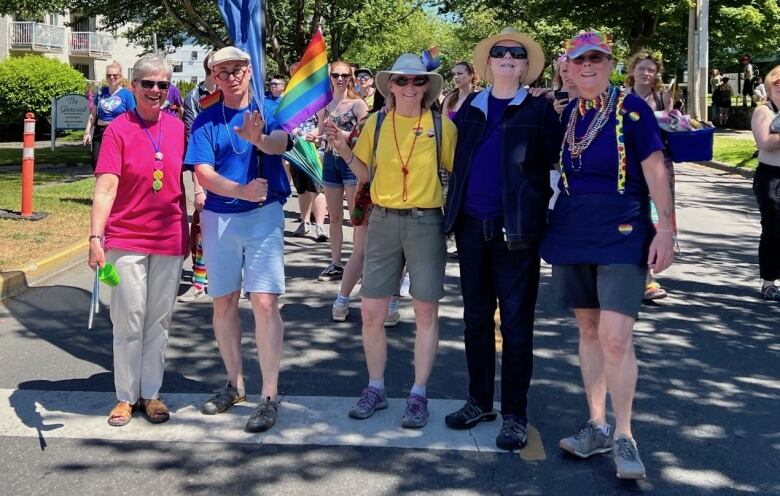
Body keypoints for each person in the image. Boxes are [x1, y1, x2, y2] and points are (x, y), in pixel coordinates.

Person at [539, 31, 675, 480]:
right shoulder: (570, 114)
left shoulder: (631, 109)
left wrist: (667, 230)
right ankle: (596, 424)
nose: (588, 66)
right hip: (574, 229)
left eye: (596, 59)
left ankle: (625, 433)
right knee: (589, 328)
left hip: (623, 231)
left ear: (609, 63)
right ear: (569, 67)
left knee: (616, 336)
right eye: (580, 61)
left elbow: (656, 168)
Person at [441, 28, 561, 451]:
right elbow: (448, 160)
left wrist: (545, 217)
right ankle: (478, 400)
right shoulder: (467, 108)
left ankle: (515, 413)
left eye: (517, 54)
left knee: (515, 325)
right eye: (499, 53)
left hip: (518, 234)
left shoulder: (541, 111)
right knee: (475, 320)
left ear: (526, 66)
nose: (508, 57)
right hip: (472, 227)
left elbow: (556, 168)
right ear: (487, 64)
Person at [326, 53, 456, 428]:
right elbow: (364, 173)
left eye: (418, 82)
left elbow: (459, 172)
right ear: (391, 86)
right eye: (402, 81)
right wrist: (344, 149)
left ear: (427, 87)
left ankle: (418, 394)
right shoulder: (377, 124)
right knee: (371, 313)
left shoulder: (442, 127)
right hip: (382, 221)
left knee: (425, 312)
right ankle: (376, 388)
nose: (410, 87)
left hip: (426, 221)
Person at [185, 46, 291, 433]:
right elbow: (203, 172)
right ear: (214, 77)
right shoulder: (206, 120)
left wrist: (259, 138)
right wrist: (240, 190)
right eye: (222, 71)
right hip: (220, 218)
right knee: (224, 300)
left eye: (237, 69)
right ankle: (235, 383)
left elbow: (282, 144)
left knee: (264, 302)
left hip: (264, 216)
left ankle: (269, 394)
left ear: (250, 71)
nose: (231, 76)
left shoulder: (269, 109)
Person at [88, 55, 188, 427]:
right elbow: (106, 187)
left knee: (158, 321)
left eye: (162, 84)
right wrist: (96, 236)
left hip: (169, 237)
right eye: (148, 84)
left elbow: (191, 181)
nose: (155, 91)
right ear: (134, 86)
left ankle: (151, 393)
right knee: (128, 319)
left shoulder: (178, 128)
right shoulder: (118, 129)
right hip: (127, 237)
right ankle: (125, 397)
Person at [308, 61, 369, 282]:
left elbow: (364, 136)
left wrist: (343, 135)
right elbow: (321, 130)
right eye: (336, 75)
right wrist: (314, 135)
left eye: (344, 75)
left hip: (352, 162)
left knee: (356, 217)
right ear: (330, 77)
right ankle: (336, 263)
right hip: (330, 162)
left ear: (351, 78)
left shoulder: (358, 104)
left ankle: (358, 263)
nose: (340, 79)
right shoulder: (325, 105)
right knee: (334, 216)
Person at [624, 50, 675, 301]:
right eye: (641, 68)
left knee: (656, 218)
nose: (646, 73)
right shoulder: (622, 99)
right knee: (635, 217)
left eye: (651, 69)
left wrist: (675, 121)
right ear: (632, 71)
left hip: (659, 165)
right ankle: (641, 276)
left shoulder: (664, 97)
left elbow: (674, 128)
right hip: (630, 166)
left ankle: (648, 275)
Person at [179, 51, 216, 303]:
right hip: (206, 170)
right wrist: (198, 187)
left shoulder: (237, 95)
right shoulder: (194, 97)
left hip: (233, 169)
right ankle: (199, 280)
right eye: (220, 67)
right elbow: (195, 140)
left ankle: (237, 277)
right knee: (202, 225)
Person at [750, 65, 780, 301]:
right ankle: (769, 281)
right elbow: (766, 142)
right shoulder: (764, 111)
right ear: (769, 87)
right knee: (774, 228)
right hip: (771, 177)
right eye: (777, 84)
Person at [83, 61, 135, 172]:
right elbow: (93, 114)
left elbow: (133, 117)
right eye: (109, 75)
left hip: (117, 133)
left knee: (116, 162)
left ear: (120, 77)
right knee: (96, 161)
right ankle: (101, 186)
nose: (112, 77)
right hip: (100, 131)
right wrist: (87, 132)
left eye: (115, 75)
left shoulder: (126, 94)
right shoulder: (101, 92)